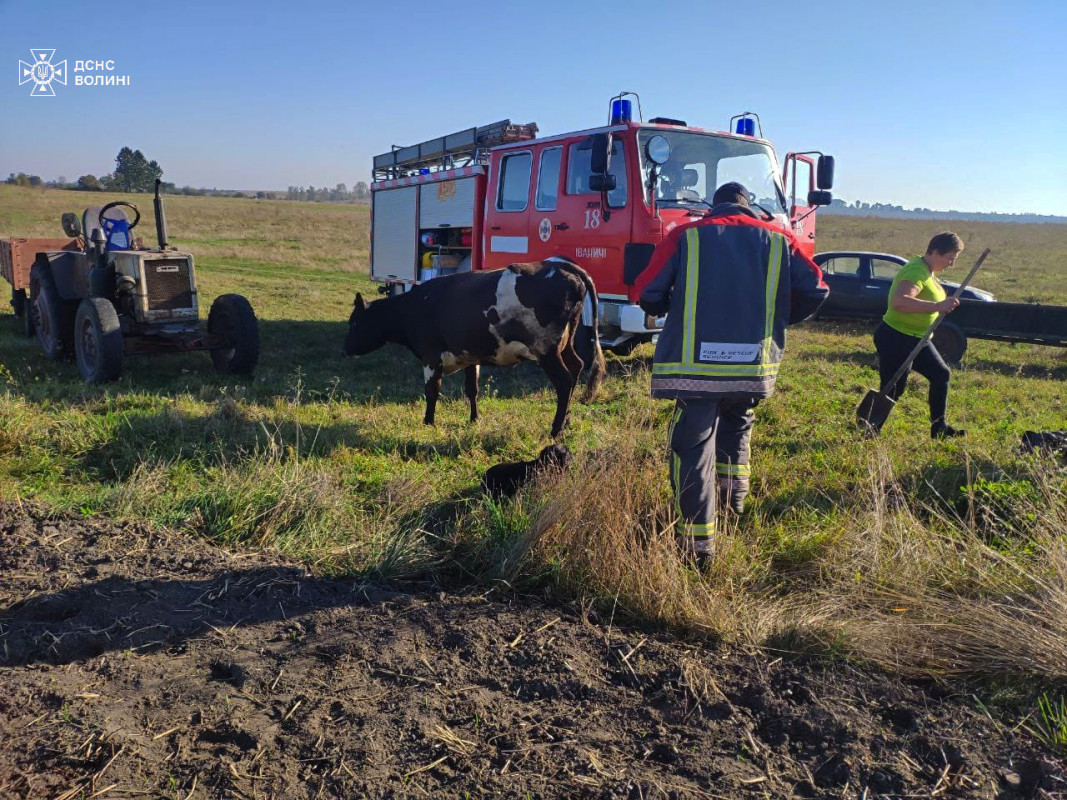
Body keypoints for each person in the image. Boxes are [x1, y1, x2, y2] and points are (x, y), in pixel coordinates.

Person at [636, 181, 829, 568]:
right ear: (748, 205)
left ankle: (697, 546)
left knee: (692, 446)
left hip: (695, 369)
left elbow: (648, 292)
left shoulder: (685, 236)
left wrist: (671, 304)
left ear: (714, 206)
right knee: (739, 425)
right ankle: (732, 505)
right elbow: (818, 288)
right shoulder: (779, 237)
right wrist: (776, 319)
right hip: (753, 365)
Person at [874, 231, 965, 439]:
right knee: (894, 388)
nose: (951, 264)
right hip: (896, 337)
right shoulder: (915, 271)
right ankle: (871, 427)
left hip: (918, 338)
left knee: (941, 375)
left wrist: (942, 304)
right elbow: (900, 301)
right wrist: (937, 305)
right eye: (950, 258)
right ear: (935, 251)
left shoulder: (928, 270)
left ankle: (939, 428)